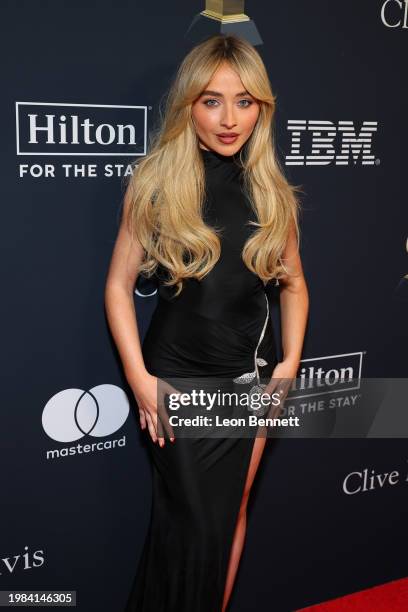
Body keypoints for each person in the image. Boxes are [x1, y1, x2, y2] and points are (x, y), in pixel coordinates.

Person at [104, 33, 309, 612]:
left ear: (261, 109)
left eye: (244, 101)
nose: (228, 118)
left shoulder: (273, 194)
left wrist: (289, 365)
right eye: (211, 100)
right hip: (176, 379)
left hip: (246, 382)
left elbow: (295, 286)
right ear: (188, 104)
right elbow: (118, 287)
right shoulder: (154, 184)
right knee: (192, 520)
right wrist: (140, 379)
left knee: (230, 514)